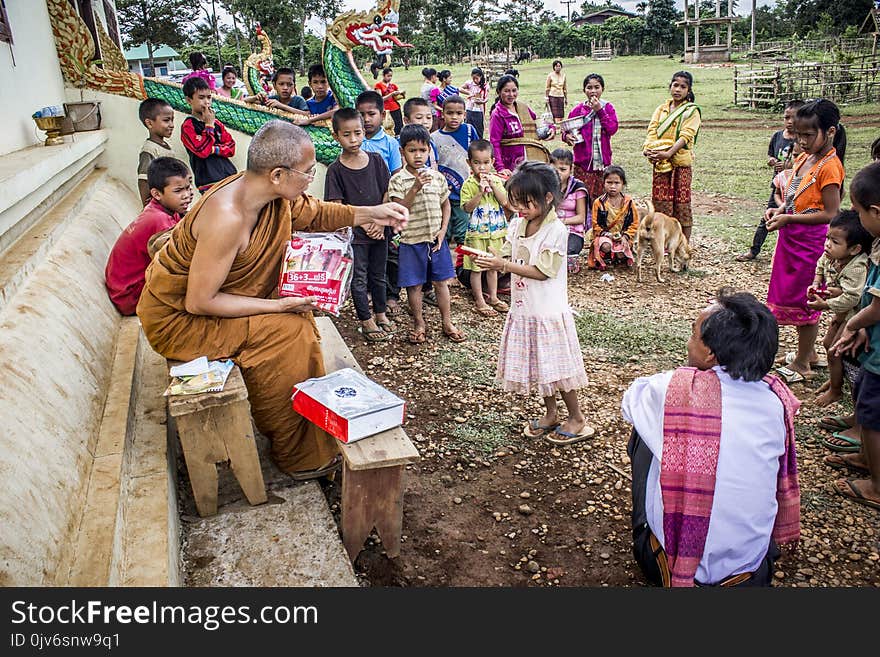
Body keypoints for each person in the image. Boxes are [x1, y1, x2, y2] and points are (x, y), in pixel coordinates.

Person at [137, 120, 408, 478]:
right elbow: (199, 302)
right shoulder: (228, 218)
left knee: (296, 321)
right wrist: (279, 304)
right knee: (287, 333)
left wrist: (372, 212)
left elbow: (314, 212)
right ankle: (298, 455)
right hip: (180, 322)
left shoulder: (266, 193)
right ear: (278, 174)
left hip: (210, 305)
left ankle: (305, 429)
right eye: (308, 172)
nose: (312, 178)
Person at [622, 290, 801, 587]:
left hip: (666, 567)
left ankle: (667, 550)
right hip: (751, 574)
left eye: (693, 334)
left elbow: (631, 400)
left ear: (710, 354)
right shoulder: (777, 401)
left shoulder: (672, 390)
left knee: (645, 433)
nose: (688, 343)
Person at [473, 162, 593, 445]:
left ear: (548, 198)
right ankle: (551, 414)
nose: (520, 208)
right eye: (516, 202)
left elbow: (543, 271)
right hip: (525, 309)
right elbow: (508, 252)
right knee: (541, 366)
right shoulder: (518, 224)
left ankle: (576, 417)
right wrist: (492, 256)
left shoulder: (557, 231)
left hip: (547, 311)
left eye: (526, 203)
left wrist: (503, 263)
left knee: (559, 370)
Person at [766, 98, 846, 384]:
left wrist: (790, 219)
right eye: (799, 135)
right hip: (793, 238)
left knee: (808, 299)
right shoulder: (804, 158)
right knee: (792, 295)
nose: (801, 140)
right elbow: (793, 198)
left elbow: (831, 213)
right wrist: (780, 210)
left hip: (810, 242)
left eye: (808, 135)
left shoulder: (830, 167)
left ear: (831, 132)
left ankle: (802, 363)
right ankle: (808, 353)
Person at [828, 161, 880, 511]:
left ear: (875, 211)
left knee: (874, 416)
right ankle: (865, 458)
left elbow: (877, 305)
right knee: (864, 399)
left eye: (859, 212)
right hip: (873, 343)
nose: (858, 220)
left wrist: (853, 323)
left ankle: (877, 485)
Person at [387, 124, 465, 345]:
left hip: (435, 241)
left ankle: (447, 322)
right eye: (412, 151)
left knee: (442, 283)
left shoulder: (437, 177)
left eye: (422, 150)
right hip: (411, 241)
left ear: (429, 151)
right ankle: (419, 323)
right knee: (415, 286)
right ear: (403, 152)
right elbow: (398, 208)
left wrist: (442, 231)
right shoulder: (398, 180)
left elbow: (446, 205)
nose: (418, 155)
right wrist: (415, 188)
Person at [325, 108, 393, 343]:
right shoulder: (336, 170)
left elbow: (387, 192)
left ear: (364, 132)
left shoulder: (375, 161)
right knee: (360, 277)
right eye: (346, 135)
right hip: (356, 234)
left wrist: (381, 223)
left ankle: (381, 313)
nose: (353, 140)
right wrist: (366, 224)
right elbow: (337, 206)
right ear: (336, 136)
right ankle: (366, 320)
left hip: (381, 230)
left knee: (379, 274)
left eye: (357, 133)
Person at [106, 158, 193, 315]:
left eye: (188, 187)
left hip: (127, 289)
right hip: (130, 296)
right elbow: (178, 264)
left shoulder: (163, 210)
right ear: (157, 194)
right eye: (178, 191)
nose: (187, 195)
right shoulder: (159, 220)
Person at [807, 211, 872, 407]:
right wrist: (817, 282)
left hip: (856, 314)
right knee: (828, 343)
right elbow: (821, 263)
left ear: (854, 249)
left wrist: (825, 304)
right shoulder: (832, 256)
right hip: (842, 312)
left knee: (835, 351)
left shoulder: (857, 267)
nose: (827, 244)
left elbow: (853, 298)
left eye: (834, 241)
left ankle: (835, 390)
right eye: (827, 238)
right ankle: (837, 375)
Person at [385, 97, 440, 315]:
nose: (426, 121)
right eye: (419, 117)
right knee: (406, 264)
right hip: (409, 221)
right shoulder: (403, 162)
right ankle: (399, 298)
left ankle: (427, 290)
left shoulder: (430, 144)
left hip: (430, 219)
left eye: (429, 117)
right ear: (406, 120)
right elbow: (399, 194)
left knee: (431, 262)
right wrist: (415, 187)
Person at [736, 100, 805, 262]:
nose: (789, 122)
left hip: (796, 187)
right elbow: (770, 155)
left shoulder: (803, 141)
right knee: (767, 217)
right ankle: (754, 250)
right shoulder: (778, 136)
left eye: (792, 118)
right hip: (779, 185)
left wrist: (790, 165)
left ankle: (788, 254)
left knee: (792, 221)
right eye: (786, 117)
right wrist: (772, 161)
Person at [643, 71, 701, 242]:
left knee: (682, 205)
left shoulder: (691, 112)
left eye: (683, 86)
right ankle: (662, 241)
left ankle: (683, 244)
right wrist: (648, 150)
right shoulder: (661, 109)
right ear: (670, 86)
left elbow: (686, 135)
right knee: (660, 204)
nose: (678, 89)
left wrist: (668, 153)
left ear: (688, 90)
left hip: (680, 164)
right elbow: (652, 131)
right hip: (661, 164)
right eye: (675, 85)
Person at [460, 140, 510, 318]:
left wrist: (494, 186)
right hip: (476, 234)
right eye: (477, 162)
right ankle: (480, 299)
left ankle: (494, 297)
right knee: (476, 268)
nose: (482, 167)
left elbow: (505, 202)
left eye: (486, 162)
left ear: (493, 162)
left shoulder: (497, 180)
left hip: (495, 232)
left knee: (492, 267)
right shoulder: (468, 184)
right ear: (469, 163)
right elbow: (466, 208)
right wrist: (480, 192)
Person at [563, 73, 619, 201]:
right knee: (582, 197)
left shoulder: (608, 108)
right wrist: (567, 136)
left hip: (602, 162)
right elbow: (566, 129)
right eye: (589, 87)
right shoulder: (578, 110)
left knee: (601, 198)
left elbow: (612, 129)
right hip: (583, 162)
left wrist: (600, 110)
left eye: (597, 87)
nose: (593, 91)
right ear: (584, 90)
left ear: (602, 89)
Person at [433, 95, 479, 247]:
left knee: (462, 232)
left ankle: (462, 266)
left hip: (464, 192)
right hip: (443, 193)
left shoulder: (469, 131)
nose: (454, 117)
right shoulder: (435, 138)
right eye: (450, 113)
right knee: (443, 231)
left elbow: (478, 153)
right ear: (442, 113)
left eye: (459, 113)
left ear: (465, 115)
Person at [180, 77, 237, 193]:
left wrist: (213, 149)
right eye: (201, 98)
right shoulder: (188, 126)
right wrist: (209, 125)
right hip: (209, 183)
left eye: (209, 97)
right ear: (189, 100)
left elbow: (231, 147)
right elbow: (202, 151)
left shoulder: (218, 124)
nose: (207, 102)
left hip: (229, 177)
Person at [587, 165, 638, 271]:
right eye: (609, 183)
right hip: (605, 236)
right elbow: (595, 225)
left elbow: (634, 223)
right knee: (606, 246)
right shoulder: (599, 203)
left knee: (622, 250)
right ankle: (605, 257)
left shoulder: (628, 202)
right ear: (604, 183)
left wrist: (626, 236)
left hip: (622, 236)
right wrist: (608, 235)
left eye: (617, 183)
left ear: (623, 184)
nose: (613, 186)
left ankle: (620, 258)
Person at [136, 98, 184, 206]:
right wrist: (148, 207)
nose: (171, 125)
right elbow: (143, 180)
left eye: (172, 120)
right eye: (166, 120)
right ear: (149, 123)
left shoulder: (166, 146)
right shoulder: (150, 149)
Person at [489, 75, 539, 176]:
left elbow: (535, 124)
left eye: (514, 90)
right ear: (499, 92)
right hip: (510, 164)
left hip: (530, 158)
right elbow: (494, 143)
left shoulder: (523, 108)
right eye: (506, 91)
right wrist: (500, 167)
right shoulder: (498, 114)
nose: (511, 94)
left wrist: (550, 129)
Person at [550, 148, 589, 274]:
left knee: (569, 250)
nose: (558, 173)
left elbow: (581, 217)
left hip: (572, 229)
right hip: (551, 228)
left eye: (563, 170)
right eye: (554, 170)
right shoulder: (546, 186)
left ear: (571, 169)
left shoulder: (577, 187)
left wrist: (561, 221)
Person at [356, 90, 402, 176]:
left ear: (383, 115)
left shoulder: (391, 143)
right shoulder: (352, 142)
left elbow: (396, 177)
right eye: (361, 115)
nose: (366, 119)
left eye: (371, 114)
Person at [243, 68, 310, 117]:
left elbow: (307, 114)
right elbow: (245, 100)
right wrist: (256, 97)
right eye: (281, 84)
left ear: (294, 86)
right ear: (274, 86)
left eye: (289, 85)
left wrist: (281, 106)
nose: (285, 88)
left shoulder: (298, 100)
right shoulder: (272, 99)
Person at [459, 67, 488, 139]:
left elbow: (486, 97)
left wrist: (483, 101)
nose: (475, 80)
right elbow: (460, 88)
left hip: (479, 110)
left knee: (479, 129)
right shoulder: (469, 83)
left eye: (477, 78)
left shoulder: (485, 85)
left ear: (481, 76)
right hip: (469, 109)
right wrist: (469, 93)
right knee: (468, 128)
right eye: (473, 78)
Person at [375, 67, 404, 136]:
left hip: (396, 108)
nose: (390, 78)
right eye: (388, 76)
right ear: (383, 75)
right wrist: (391, 94)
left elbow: (397, 97)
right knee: (388, 127)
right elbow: (380, 99)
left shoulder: (393, 86)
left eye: (391, 76)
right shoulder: (378, 85)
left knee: (399, 125)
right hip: (386, 109)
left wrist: (402, 94)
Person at [544, 60, 568, 128]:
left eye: (559, 66)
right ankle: (555, 127)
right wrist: (546, 97)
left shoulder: (563, 76)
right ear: (554, 67)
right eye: (556, 66)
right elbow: (547, 87)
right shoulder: (550, 75)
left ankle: (560, 126)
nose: (558, 67)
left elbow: (565, 89)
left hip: (561, 96)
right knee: (554, 113)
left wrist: (566, 99)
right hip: (552, 96)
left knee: (561, 113)